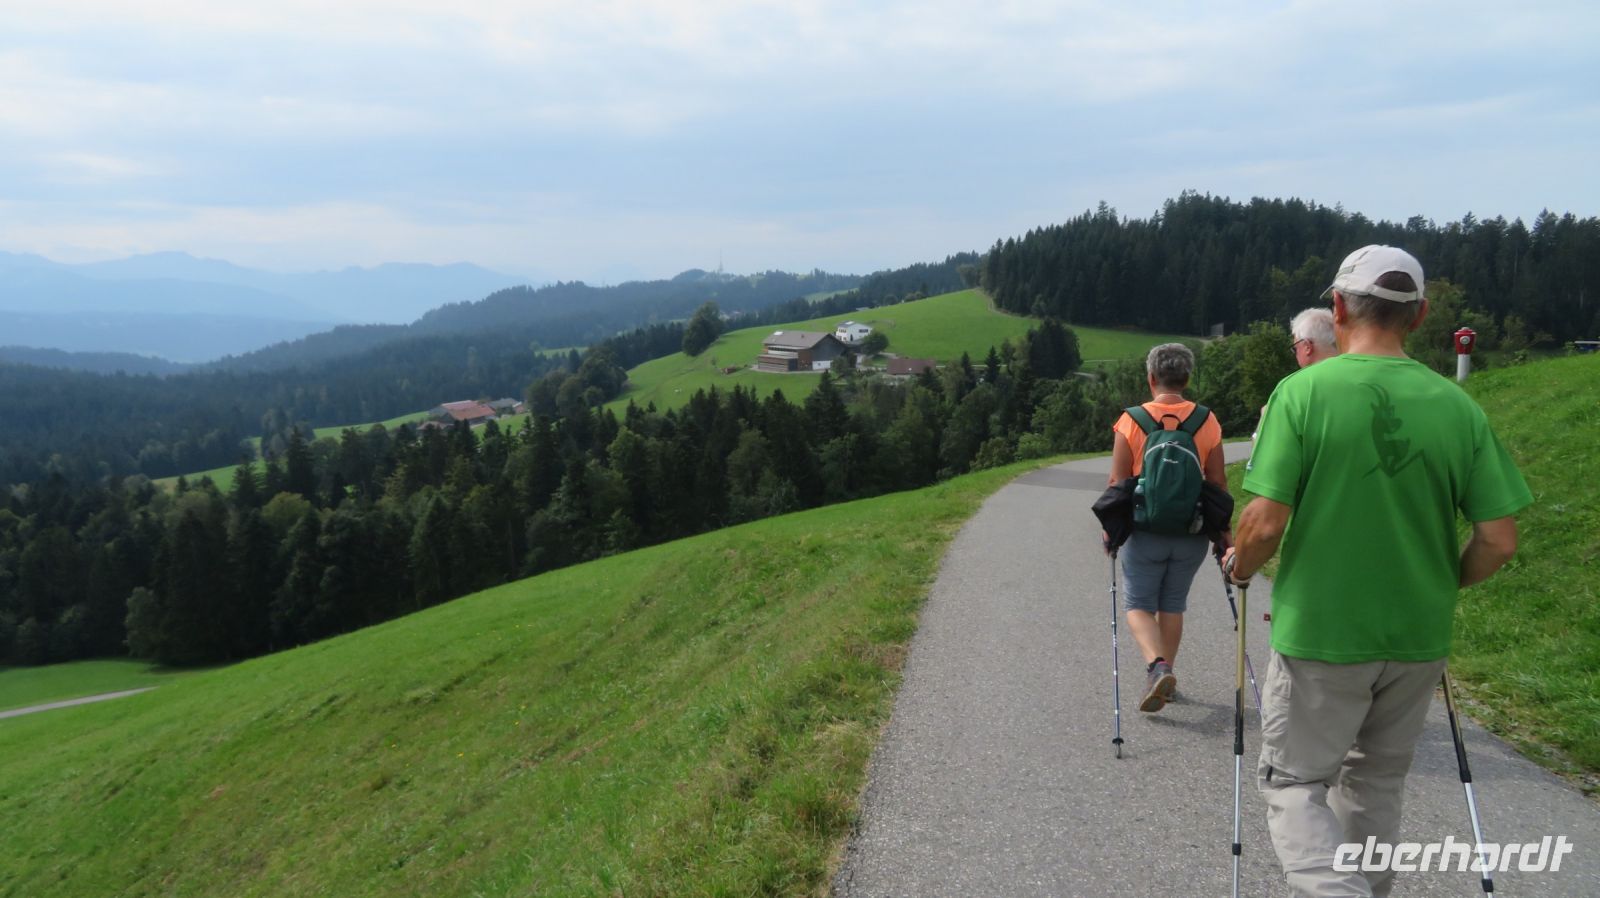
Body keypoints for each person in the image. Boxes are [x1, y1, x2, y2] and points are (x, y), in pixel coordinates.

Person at [1223, 245, 1531, 897]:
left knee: (1296, 783)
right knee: (1374, 787)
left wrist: (1241, 567)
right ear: (1419, 316)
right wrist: (1444, 580)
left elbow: (1264, 521)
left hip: (1323, 635)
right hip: (1417, 638)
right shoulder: (1457, 408)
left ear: (1337, 309)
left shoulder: (1303, 392)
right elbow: (1499, 540)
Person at [1108, 342, 1228, 712]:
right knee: (1172, 604)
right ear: (1187, 378)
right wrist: (1223, 533)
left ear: (1151, 378)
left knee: (1139, 605)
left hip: (1145, 531)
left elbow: (1117, 481)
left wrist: (1110, 529)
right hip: (1190, 532)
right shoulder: (1206, 420)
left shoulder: (1131, 419)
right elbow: (1218, 482)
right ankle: (1167, 679)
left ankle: (1156, 666)